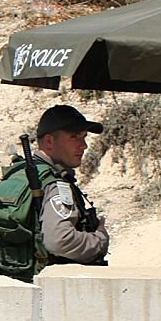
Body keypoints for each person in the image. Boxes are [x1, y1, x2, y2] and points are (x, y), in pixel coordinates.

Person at [33, 104, 110, 265]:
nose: (83, 145)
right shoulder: (55, 184)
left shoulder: (23, 174)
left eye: (84, 137)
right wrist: (99, 240)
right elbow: (60, 240)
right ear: (49, 142)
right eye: (74, 137)